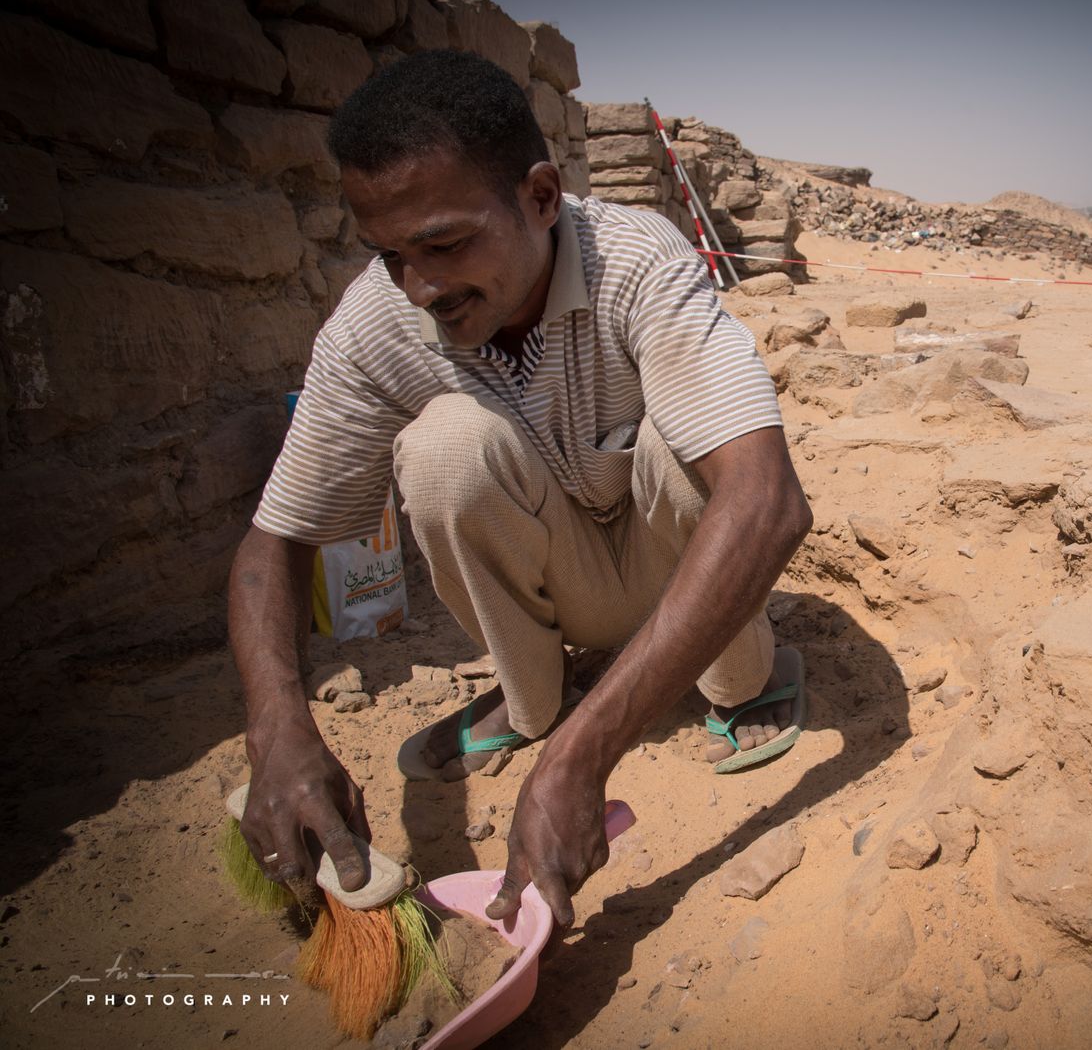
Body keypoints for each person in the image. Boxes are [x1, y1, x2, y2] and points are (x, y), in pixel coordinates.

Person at [228, 51, 813, 928]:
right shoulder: (376, 323)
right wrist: (275, 729)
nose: (419, 286)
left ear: (541, 197)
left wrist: (582, 766)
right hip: (562, 585)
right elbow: (275, 539)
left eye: (445, 243)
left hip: (676, 571)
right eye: (390, 254)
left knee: (684, 446)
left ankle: (740, 688)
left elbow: (769, 503)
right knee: (440, 448)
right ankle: (533, 700)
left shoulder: (636, 259)